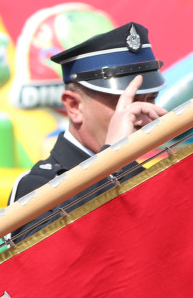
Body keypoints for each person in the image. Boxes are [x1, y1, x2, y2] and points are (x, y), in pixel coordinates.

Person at [9, 23, 168, 232]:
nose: (138, 116)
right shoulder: (37, 186)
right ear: (74, 106)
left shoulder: (145, 174)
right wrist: (113, 154)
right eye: (124, 104)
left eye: (150, 99)